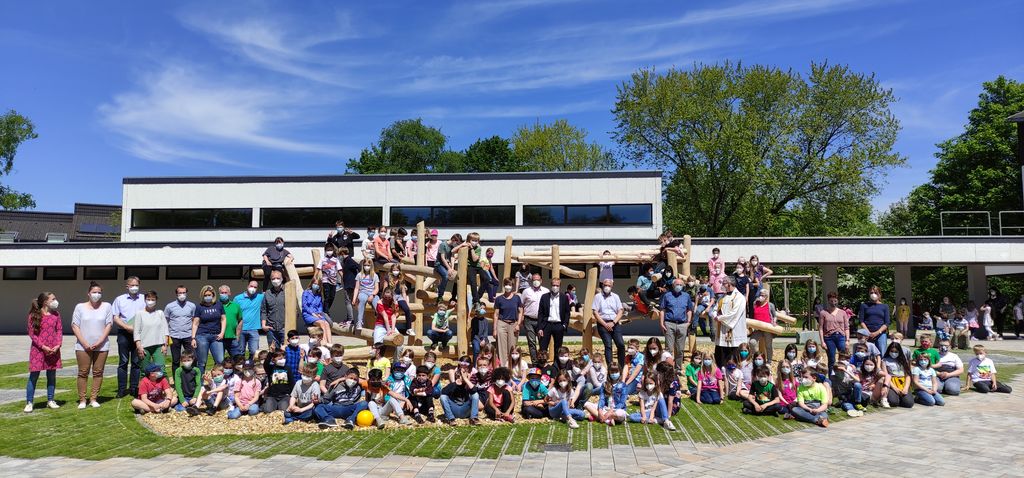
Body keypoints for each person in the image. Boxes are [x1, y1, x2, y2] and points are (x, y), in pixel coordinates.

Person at [71, 282, 112, 409]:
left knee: (98, 372)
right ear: (88, 293)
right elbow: (75, 325)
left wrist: (99, 341)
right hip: (83, 346)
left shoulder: (106, 306)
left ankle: (93, 398)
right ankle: (82, 399)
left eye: (99, 292)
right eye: (94, 292)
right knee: (83, 372)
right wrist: (84, 342)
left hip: (101, 346)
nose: (97, 294)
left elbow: (109, 324)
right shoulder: (80, 307)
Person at [25, 291, 62, 413]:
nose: (55, 301)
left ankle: (50, 400)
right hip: (38, 350)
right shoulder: (34, 315)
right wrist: (43, 346)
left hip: (53, 350)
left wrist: (57, 345)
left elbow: (59, 331)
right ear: (45, 301)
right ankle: (29, 402)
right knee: (34, 376)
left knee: (51, 376)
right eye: (53, 299)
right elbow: (32, 334)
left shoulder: (56, 315)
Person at [113, 276, 147, 398]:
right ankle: (121, 389)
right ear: (127, 286)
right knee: (123, 362)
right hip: (124, 333)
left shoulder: (144, 298)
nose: (134, 287)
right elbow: (115, 317)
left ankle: (134, 388)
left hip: (139, 334)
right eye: (132, 285)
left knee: (136, 362)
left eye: (136, 285)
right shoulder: (119, 299)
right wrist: (127, 327)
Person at [659, 278, 693, 375]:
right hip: (669, 323)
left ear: (683, 286)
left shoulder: (686, 296)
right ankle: (668, 369)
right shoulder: (667, 295)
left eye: (680, 284)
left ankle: (678, 368)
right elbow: (662, 310)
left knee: (680, 349)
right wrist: (661, 323)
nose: (678, 286)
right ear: (673, 285)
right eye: (677, 284)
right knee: (669, 349)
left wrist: (689, 322)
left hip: (682, 324)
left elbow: (689, 309)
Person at [712, 276, 747, 368]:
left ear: (730, 284)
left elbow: (734, 313)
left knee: (733, 352)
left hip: (734, 330)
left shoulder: (739, 297)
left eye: (723, 283)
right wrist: (715, 315)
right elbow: (715, 309)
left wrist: (719, 318)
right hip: (722, 330)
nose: (722, 285)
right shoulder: (722, 297)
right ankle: (721, 371)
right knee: (721, 351)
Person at [192, 285, 226, 375]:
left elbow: (223, 319)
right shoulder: (199, 307)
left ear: (213, 295)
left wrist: (222, 333)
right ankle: (201, 383)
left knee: (220, 360)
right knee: (202, 362)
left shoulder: (219, 304)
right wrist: (193, 338)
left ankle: (217, 380)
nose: (207, 297)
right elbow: (195, 323)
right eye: (205, 295)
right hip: (202, 336)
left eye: (209, 295)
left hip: (216, 336)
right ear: (202, 296)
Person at [132, 291, 169, 375]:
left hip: (158, 346)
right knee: (144, 371)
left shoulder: (160, 313)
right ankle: (144, 388)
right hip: (144, 347)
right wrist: (139, 346)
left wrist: (165, 345)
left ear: (156, 300)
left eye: (153, 299)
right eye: (148, 299)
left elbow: (165, 330)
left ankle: (164, 388)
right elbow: (136, 332)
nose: (150, 301)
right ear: (145, 300)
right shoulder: (139, 314)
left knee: (161, 370)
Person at [164, 285, 196, 378]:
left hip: (188, 336)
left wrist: (194, 336)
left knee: (191, 359)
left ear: (186, 293)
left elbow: (194, 320)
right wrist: (166, 335)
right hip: (174, 336)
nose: (182, 295)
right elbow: (165, 320)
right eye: (180, 293)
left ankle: (190, 379)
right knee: (176, 360)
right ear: (176, 294)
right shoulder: (169, 306)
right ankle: (176, 380)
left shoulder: (192, 306)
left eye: (183, 293)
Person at [593, 279, 626, 367]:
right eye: (605, 285)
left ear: (612, 286)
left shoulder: (616, 296)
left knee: (621, 344)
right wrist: (605, 324)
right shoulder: (598, 297)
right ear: (602, 285)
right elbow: (595, 312)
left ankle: (621, 366)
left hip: (614, 323)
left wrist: (614, 322)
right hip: (602, 324)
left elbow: (620, 310)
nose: (607, 287)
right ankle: (610, 366)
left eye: (609, 285)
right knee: (608, 345)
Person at [493, 278, 524, 367]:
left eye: (510, 285)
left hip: (513, 324)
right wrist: (494, 329)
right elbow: (496, 314)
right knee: (502, 347)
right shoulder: (499, 299)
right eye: (506, 284)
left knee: (512, 347)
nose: (508, 286)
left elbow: (520, 311)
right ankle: (503, 367)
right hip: (501, 323)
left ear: (512, 286)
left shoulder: (517, 298)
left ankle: (512, 366)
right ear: (504, 286)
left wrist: (518, 324)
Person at [440, 358, 480, 425]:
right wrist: (455, 383)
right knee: (443, 397)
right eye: (461, 374)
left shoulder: (469, 384)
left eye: (464, 374)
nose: (462, 376)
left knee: (475, 395)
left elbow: (475, 390)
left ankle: (474, 418)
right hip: (454, 409)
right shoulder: (454, 384)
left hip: (465, 409)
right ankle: (451, 419)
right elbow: (443, 392)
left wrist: (466, 380)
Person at [538, 278, 570, 357]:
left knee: (558, 348)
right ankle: (542, 365)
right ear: (551, 285)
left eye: (557, 285)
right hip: (546, 325)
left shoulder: (564, 297)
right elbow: (540, 313)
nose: (555, 287)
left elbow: (567, 312)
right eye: (553, 285)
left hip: (559, 325)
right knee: (543, 348)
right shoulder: (544, 297)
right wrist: (540, 328)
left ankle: (556, 366)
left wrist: (564, 325)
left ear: (560, 286)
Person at [819, 291, 850, 373]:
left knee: (843, 357)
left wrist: (847, 340)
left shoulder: (843, 313)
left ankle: (842, 375)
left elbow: (846, 327)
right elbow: (821, 328)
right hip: (829, 337)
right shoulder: (823, 313)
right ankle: (831, 377)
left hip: (841, 336)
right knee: (831, 358)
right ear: (828, 301)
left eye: (835, 301)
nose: (833, 303)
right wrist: (822, 342)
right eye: (831, 301)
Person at [520, 273, 548, 362]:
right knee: (532, 343)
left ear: (541, 280)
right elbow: (521, 305)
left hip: (542, 321)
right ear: (531, 281)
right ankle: (535, 362)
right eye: (534, 280)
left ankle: (542, 362)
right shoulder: (526, 291)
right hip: (529, 320)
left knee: (542, 342)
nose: (536, 281)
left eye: (538, 279)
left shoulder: (546, 291)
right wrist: (521, 319)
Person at [234, 280, 263, 360]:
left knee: (254, 352)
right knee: (240, 352)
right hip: (240, 329)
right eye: (251, 286)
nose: (252, 288)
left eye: (255, 287)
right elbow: (234, 314)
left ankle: (251, 368)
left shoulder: (260, 297)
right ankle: (240, 369)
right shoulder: (238, 298)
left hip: (254, 329)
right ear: (247, 286)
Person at [858, 285, 891, 354]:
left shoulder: (885, 306)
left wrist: (877, 332)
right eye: (871, 293)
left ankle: (880, 364)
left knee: (882, 353)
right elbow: (861, 321)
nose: (873, 294)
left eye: (875, 293)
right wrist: (868, 333)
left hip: (881, 334)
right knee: (867, 353)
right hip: (867, 334)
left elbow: (887, 322)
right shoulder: (864, 305)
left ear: (879, 294)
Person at [434, 233, 465, 304]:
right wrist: (449, 268)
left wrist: (452, 267)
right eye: (457, 243)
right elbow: (442, 258)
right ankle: (440, 295)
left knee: (454, 276)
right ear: (453, 240)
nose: (456, 245)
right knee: (445, 276)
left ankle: (453, 296)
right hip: (439, 264)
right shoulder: (443, 245)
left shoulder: (451, 247)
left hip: (446, 265)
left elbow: (452, 257)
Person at [349, 259, 379, 330]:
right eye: (365, 265)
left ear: (371, 266)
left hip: (372, 292)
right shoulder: (359, 275)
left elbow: (376, 288)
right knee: (362, 300)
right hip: (363, 292)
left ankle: (380, 323)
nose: (366, 267)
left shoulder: (375, 275)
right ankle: (359, 322)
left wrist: (372, 295)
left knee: (377, 304)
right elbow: (356, 288)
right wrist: (354, 298)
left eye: (368, 265)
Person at [301, 278, 333, 344]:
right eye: (315, 283)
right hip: (308, 314)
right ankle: (324, 342)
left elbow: (320, 307)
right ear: (311, 283)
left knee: (326, 323)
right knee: (321, 323)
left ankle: (330, 343)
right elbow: (304, 306)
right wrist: (312, 313)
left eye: (318, 284)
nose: (316, 285)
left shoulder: (319, 295)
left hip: (317, 314)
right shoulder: (306, 293)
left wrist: (318, 313)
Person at [882, 342, 914, 408]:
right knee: (893, 402)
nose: (894, 353)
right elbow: (886, 375)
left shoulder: (903, 360)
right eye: (892, 351)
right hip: (891, 382)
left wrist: (906, 388)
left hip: (903, 382)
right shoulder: (884, 360)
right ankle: (895, 397)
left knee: (909, 404)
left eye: (896, 351)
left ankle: (902, 398)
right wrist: (894, 388)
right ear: (889, 350)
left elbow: (908, 375)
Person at [261, 271, 287, 348]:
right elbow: (264, 310)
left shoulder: (288, 292)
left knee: (286, 352)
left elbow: (293, 311)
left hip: (284, 328)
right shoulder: (267, 293)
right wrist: (263, 325)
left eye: (278, 278)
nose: (276, 280)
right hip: (271, 329)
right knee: (273, 353)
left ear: (282, 279)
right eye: (273, 278)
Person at [262, 348, 294, 413]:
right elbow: (265, 364)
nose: (281, 357)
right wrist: (270, 352)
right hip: (272, 396)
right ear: (273, 359)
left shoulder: (288, 368)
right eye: (278, 356)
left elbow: (291, 382)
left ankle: (278, 406)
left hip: (284, 396)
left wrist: (291, 395)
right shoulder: (271, 368)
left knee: (284, 411)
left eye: (282, 356)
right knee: (268, 411)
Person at [337, 247, 360, 325]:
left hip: (350, 284)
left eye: (339, 254)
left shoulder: (349, 260)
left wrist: (359, 278)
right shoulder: (346, 261)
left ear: (342, 254)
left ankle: (351, 319)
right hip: (348, 283)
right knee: (349, 301)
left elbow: (359, 267)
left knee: (348, 302)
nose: (339, 256)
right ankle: (349, 318)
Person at [218, 285, 243, 357]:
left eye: (225, 292)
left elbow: (240, 320)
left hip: (232, 338)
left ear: (229, 293)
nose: (223, 294)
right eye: (222, 293)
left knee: (237, 360)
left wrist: (238, 335)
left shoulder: (236, 306)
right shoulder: (216, 305)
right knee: (219, 361)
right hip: (219, 338)